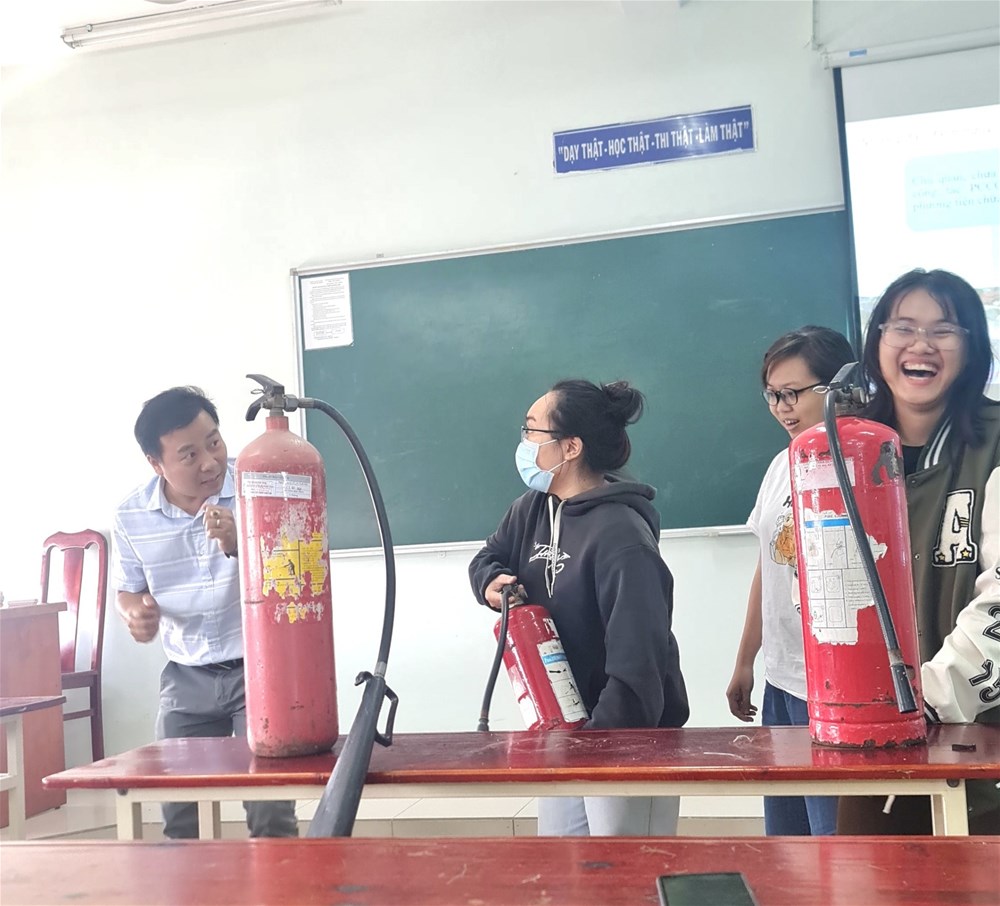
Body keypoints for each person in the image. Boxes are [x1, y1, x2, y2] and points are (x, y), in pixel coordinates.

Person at [469, 378, 689, 836]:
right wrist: (491, 581)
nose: (524, 444)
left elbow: (638, 668)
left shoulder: (623, 538)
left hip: (626, 736)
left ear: (571, 447)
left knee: (626, 867)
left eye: (532, 431)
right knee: (564, 863)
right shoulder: (531, 508)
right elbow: (488, 557)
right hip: (561, 730)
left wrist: (593, 747)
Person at [838, 268, 999, 836]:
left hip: (981, 740)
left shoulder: (995, 443)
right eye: (903, 327)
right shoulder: (842, 449)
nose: (921, 344)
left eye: (944, 330)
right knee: (866, 872)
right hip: (871, 743)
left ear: (972, 347)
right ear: (877, 342)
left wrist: (924, 699)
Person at [111, 386, 298, 839]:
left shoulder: (260, 487)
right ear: (156, 464)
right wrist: (136, 614)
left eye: (214, 442)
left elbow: (296, 575)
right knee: (178, 810)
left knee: (269, 809)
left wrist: (241, 543)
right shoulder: (131, 516)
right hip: (186, 675)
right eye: (189, 455)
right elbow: (129, 592)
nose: (210, 462)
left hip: (259, 670)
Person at [725, 326, 855, 837]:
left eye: (793, 393)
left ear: (840, 386)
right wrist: (746, 660)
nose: (782, 408)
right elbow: (770, 562)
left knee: (835, 842)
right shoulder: (784, 463)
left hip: (838, 686)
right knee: (788, 841)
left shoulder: (864, 462)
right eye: (773, 395)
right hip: (783, 681)